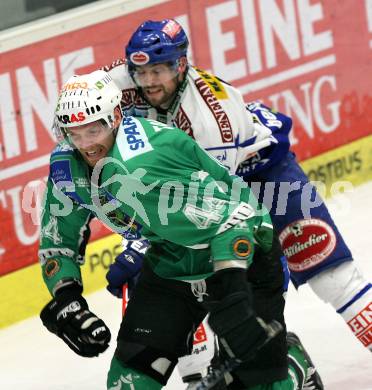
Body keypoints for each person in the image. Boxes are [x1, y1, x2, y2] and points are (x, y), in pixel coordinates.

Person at [38, 70, 322, 390]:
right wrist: (66, 297)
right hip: (172, 260)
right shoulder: (66, 166)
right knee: (128, 383)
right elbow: (57, 238)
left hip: (241, 253)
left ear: (115, 117)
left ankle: (295, 363)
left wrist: (231, 284)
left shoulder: (149, 160)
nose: (86, 145)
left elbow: (235, 215)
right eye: (73, 133)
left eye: (93, 130)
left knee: (256, 385)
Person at [103, 19, 372, 356]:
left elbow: (213, 202)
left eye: (158, 71)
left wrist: (143, 246)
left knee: (330, 274)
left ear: (181, 65)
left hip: (264, 174)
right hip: (198, 184)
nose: (149, 82)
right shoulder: (113, 84)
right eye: (141, 72)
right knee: (188, 284)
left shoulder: (212, 116)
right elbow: (74, 120)